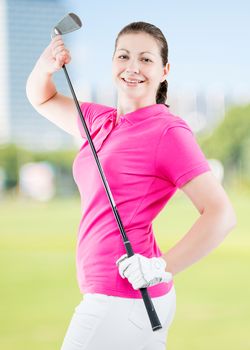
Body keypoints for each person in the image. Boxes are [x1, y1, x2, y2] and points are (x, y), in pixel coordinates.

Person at [26, 21, 237, 350]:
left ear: (165, 70)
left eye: (146, 59)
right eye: (123, 56)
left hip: (124, 300)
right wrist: (45, 66)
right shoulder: (99, 120)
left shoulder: (168, 131)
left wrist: (161, 267)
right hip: (119, 300)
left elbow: (221, 214)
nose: (133, 68)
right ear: (112, 64)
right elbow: (42, 98)